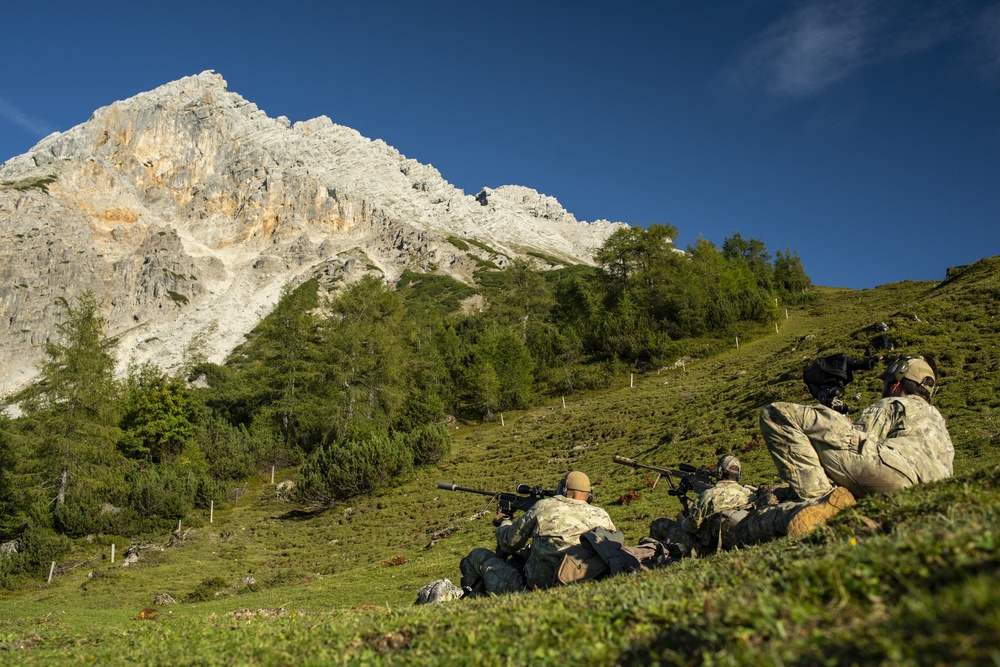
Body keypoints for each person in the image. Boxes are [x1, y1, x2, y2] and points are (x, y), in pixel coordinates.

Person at [731, 355, 954, 543]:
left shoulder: (894, 403)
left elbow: (859, 439)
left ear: (896, 383)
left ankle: (820, 501)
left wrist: (831, 418)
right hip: (930, 493)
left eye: (886, 382)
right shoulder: (938, 423)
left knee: (776, 413)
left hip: (893, 473)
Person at [459, 470, 616, 597]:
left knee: (477, 556)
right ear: (589, 495)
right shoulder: (602, 515)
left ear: (562, 490)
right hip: (585, 582)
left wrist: (504, 522)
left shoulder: (544, 506)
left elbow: (508, 544)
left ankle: (476, 605)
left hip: (534, 591)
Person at [649, 455, 757, 556]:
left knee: (658, 524)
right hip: (737, 540)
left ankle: (653, 562)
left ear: (719, 472)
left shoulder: (708, 495)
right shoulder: (749, 493)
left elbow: (691, 526)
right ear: (739, 475)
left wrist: (683, 519)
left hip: (707, 548)